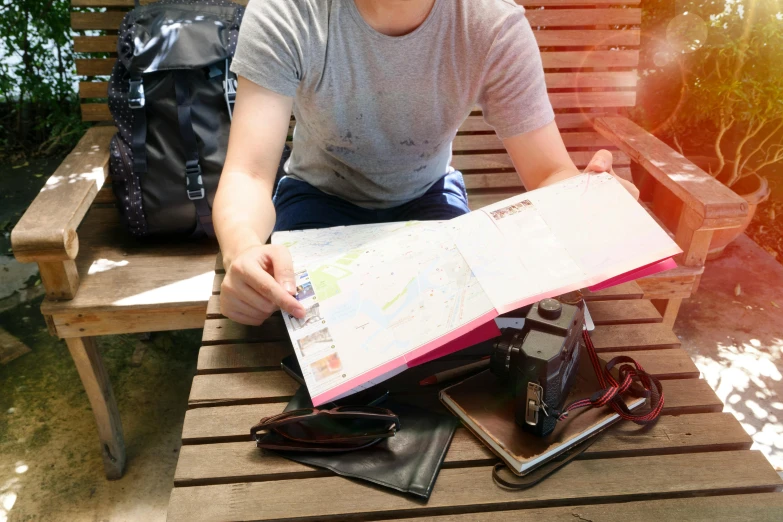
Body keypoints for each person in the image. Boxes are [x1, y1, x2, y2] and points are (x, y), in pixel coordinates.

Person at [213, 0, 639, 326]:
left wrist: (588, 201)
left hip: (429, 196)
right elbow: (248, 173)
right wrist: (242, 249)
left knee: (465, 337)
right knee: (293, 327)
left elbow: (549, 172)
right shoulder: (288, 13)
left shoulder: (491, 24)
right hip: (317, 196)